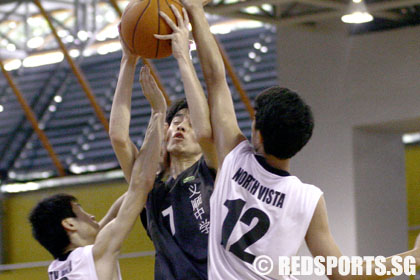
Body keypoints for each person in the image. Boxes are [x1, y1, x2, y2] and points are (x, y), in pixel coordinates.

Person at [158, 3, 420, 279]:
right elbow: (343, 274)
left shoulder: (235, 158)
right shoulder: (307, 199)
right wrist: (412, 259)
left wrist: (196, 12)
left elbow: (215, 79)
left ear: (258, 135)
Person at [29, 67, 165, 280]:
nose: (92, 217)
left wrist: (128, 61)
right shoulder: (94, 255)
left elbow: (123, 203)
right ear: (70, 224)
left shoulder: (56, 268)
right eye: (81, 212)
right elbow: (139, 187)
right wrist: (158, 113)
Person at [109, 29, 217, 279]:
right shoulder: (149, 188)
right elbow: (118, 137)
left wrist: (183, 57)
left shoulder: (212, 170)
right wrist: (128, 60)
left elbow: (204, 129)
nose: (181, 126)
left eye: (189, 124)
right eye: (178, 121)